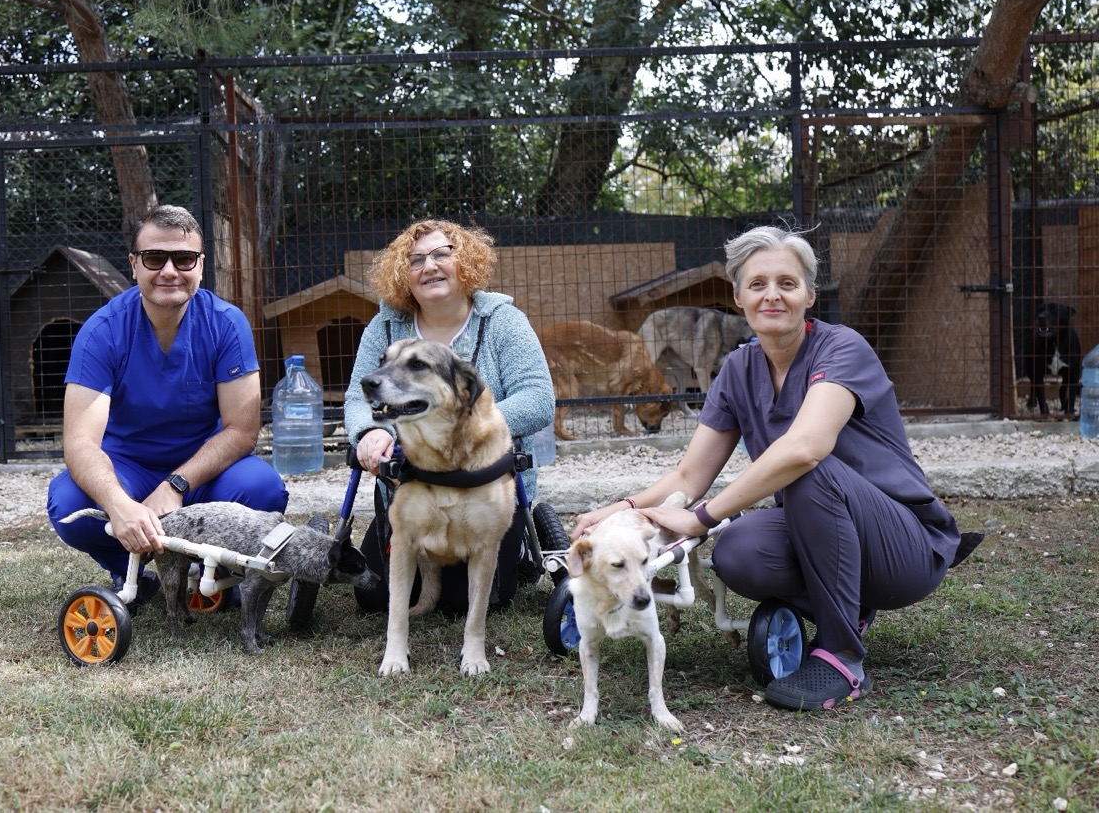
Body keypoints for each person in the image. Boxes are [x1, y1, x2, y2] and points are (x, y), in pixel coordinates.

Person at [574, 225, 964, 712]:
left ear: (809, 294)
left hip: (903, 548)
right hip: (829, 531)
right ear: (737, 296)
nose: (772, 295)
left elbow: (804, 449)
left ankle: (842, 655)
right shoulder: (738, 370)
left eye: (787, 282)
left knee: (806, 468)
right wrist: (625, 507)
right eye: (757, 284)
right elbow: (688, 477)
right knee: (737, 553)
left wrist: (702, 518)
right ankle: (849, 607)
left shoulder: (843, 348)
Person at [47, 204, 288, 603]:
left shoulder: (227, 324)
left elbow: (243, 431)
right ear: (134, 264)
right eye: (155, 258)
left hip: (204, 473)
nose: (170, 271)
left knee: (264, 490)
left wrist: (176, 485)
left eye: (184, 258)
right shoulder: (101, 332)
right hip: (128, 469)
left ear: (201, 265)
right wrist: (119, 504)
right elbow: (79, 443)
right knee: (69, 505)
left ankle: (218, 573)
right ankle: (132, 574)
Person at [344, 219, 556, 614]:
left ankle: (520, 545)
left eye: (443, 255)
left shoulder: (503, 322)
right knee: (374, 594)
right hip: (413, 486)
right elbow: (360, 395)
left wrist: (465, 429)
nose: (430, 266)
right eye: (416, 260)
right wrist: (369, 432)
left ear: (466, 263)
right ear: (402, 274)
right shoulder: (386, 326)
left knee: (461, 601)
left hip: (485, 487)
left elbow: (538, 399)